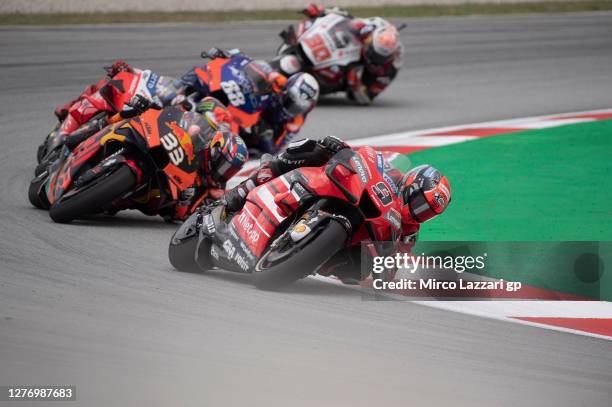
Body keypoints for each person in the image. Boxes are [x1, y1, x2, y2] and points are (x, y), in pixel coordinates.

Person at [221, 136, 451, 280]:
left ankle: (308, 258)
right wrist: (340, 147)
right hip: (341, 191)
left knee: (358, 271)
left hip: (351, 236)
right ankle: (251, 183)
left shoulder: (410, 232)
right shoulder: (392, 172)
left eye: (427, 212)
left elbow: (390, 272)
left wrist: (384, 262)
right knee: (315, 148)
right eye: (421, 204)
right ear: (411, 186)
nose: (420, 213)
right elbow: (365, 157)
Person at [177, 48, 319, 154]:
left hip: (258, 131)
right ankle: (175, 92)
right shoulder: (280, 82)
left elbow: (277, 148)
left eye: (296, 108)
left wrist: (266, 136)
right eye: (290, 101)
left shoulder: (295, 122)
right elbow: (259, 68)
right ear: (285, 90)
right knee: (202, 75)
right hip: (252, 105)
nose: (291, 109)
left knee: (237, 144)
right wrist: (230, 55)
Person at [281, 5, 403, 105]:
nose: (376, 58)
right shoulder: (367, 29)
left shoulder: (389, 70)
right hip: (343, 51)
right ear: (369, 42)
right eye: (374, 53)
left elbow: (368, 96)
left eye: (379, 57)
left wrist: (357, 87)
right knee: (314, 24)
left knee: (339, 76)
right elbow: (344, 16)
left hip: (351, 75)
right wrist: (319, 11)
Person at [157, 97, 249, 221]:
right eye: (224, 166)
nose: (224, 173)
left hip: (159, 199)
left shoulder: (214, 189)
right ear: (215, 153)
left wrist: (184, 201)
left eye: (230, 170)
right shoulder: (197, 138)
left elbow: (183, 216)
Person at [56, 61, 180, 146]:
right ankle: (68, 112)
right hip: (131, 102)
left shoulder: (183, 112)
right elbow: (143, 75)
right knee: (102, 86)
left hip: (144, 124)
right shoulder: (172, 85)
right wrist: (127, 69)